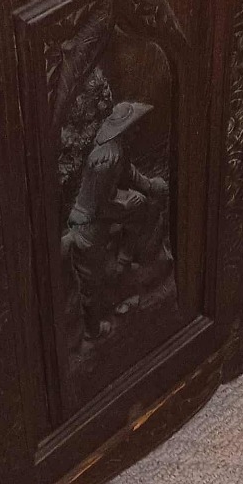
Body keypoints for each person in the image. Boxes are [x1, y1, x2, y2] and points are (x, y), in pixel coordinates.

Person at [60, 100, 169, 341]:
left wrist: (152, 186)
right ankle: (92, 329)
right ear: (125, 130)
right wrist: (125, 206)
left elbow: (131, 175)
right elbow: (96, 207)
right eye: (135, 127)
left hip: (102, 215)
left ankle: (124, 259)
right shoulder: (105, 160)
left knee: (140, 205)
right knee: (91, 280)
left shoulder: (119, 151)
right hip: (88, 225)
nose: (138, 130)